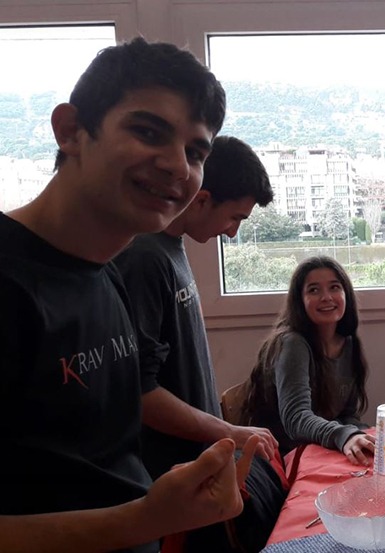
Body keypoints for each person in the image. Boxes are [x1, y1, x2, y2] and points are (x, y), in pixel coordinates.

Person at [0, 37, 260, 553]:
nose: (178, 167)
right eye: (148, 132)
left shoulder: (106, 271)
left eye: (195, 152)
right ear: (70, 131)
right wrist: (145, 519)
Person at [113, 135, 286, 552]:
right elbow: (141, 393)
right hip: (169, 476)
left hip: (198, 465)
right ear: (203, 199)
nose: (233, 232)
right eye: (235, 217)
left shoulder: (173, 248)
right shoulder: (145, 257)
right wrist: (229, 430)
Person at [239, 256, 376, 465]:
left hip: (321, 451)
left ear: (346, 293)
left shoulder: (349, 342)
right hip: (281, 459)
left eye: (334, 287)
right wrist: (344, 435)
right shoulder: (292, 344)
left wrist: (361, 436)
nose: (326, 297)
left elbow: (347, 414)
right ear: (299, 301)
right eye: (314, 290)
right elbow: (296, 419)